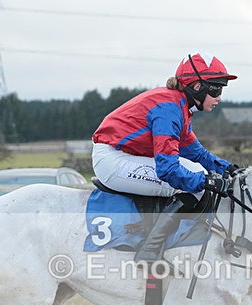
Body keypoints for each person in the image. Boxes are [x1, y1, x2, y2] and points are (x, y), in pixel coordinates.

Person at [91, 52, 240, 263]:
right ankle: (149, 250)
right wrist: (206, 181)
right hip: (112, 160)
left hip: (124, 155)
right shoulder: (169, 109)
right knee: (196, 182)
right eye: (216, 88)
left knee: (199, 172)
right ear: (196, 87)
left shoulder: (179, 106)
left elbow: (196, 153)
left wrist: (230, 169)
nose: (219, 97)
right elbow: (168, 170)